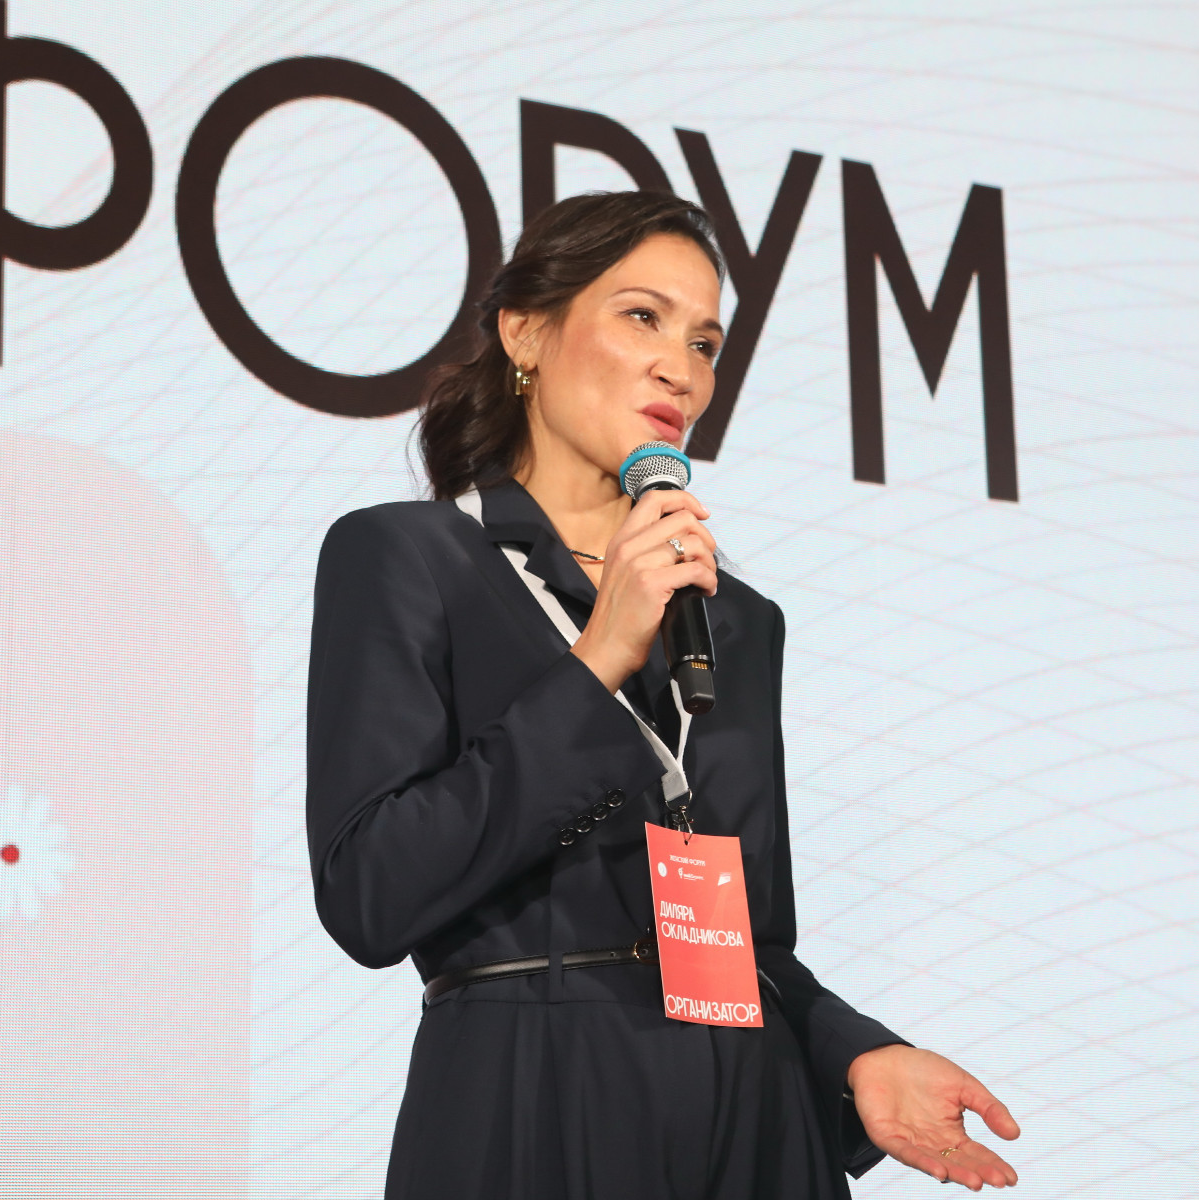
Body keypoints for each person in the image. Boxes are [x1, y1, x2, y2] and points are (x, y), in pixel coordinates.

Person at [306, 190, 1021, 1197]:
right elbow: (370, 893)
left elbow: (745, 942)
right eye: (642, 316)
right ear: (526, 332)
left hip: (753, 1121)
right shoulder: (408, 556)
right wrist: (596, 661)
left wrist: (856, 1053)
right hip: (535, 1092)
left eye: (705, 343)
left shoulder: (736, 619)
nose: (680, 369)